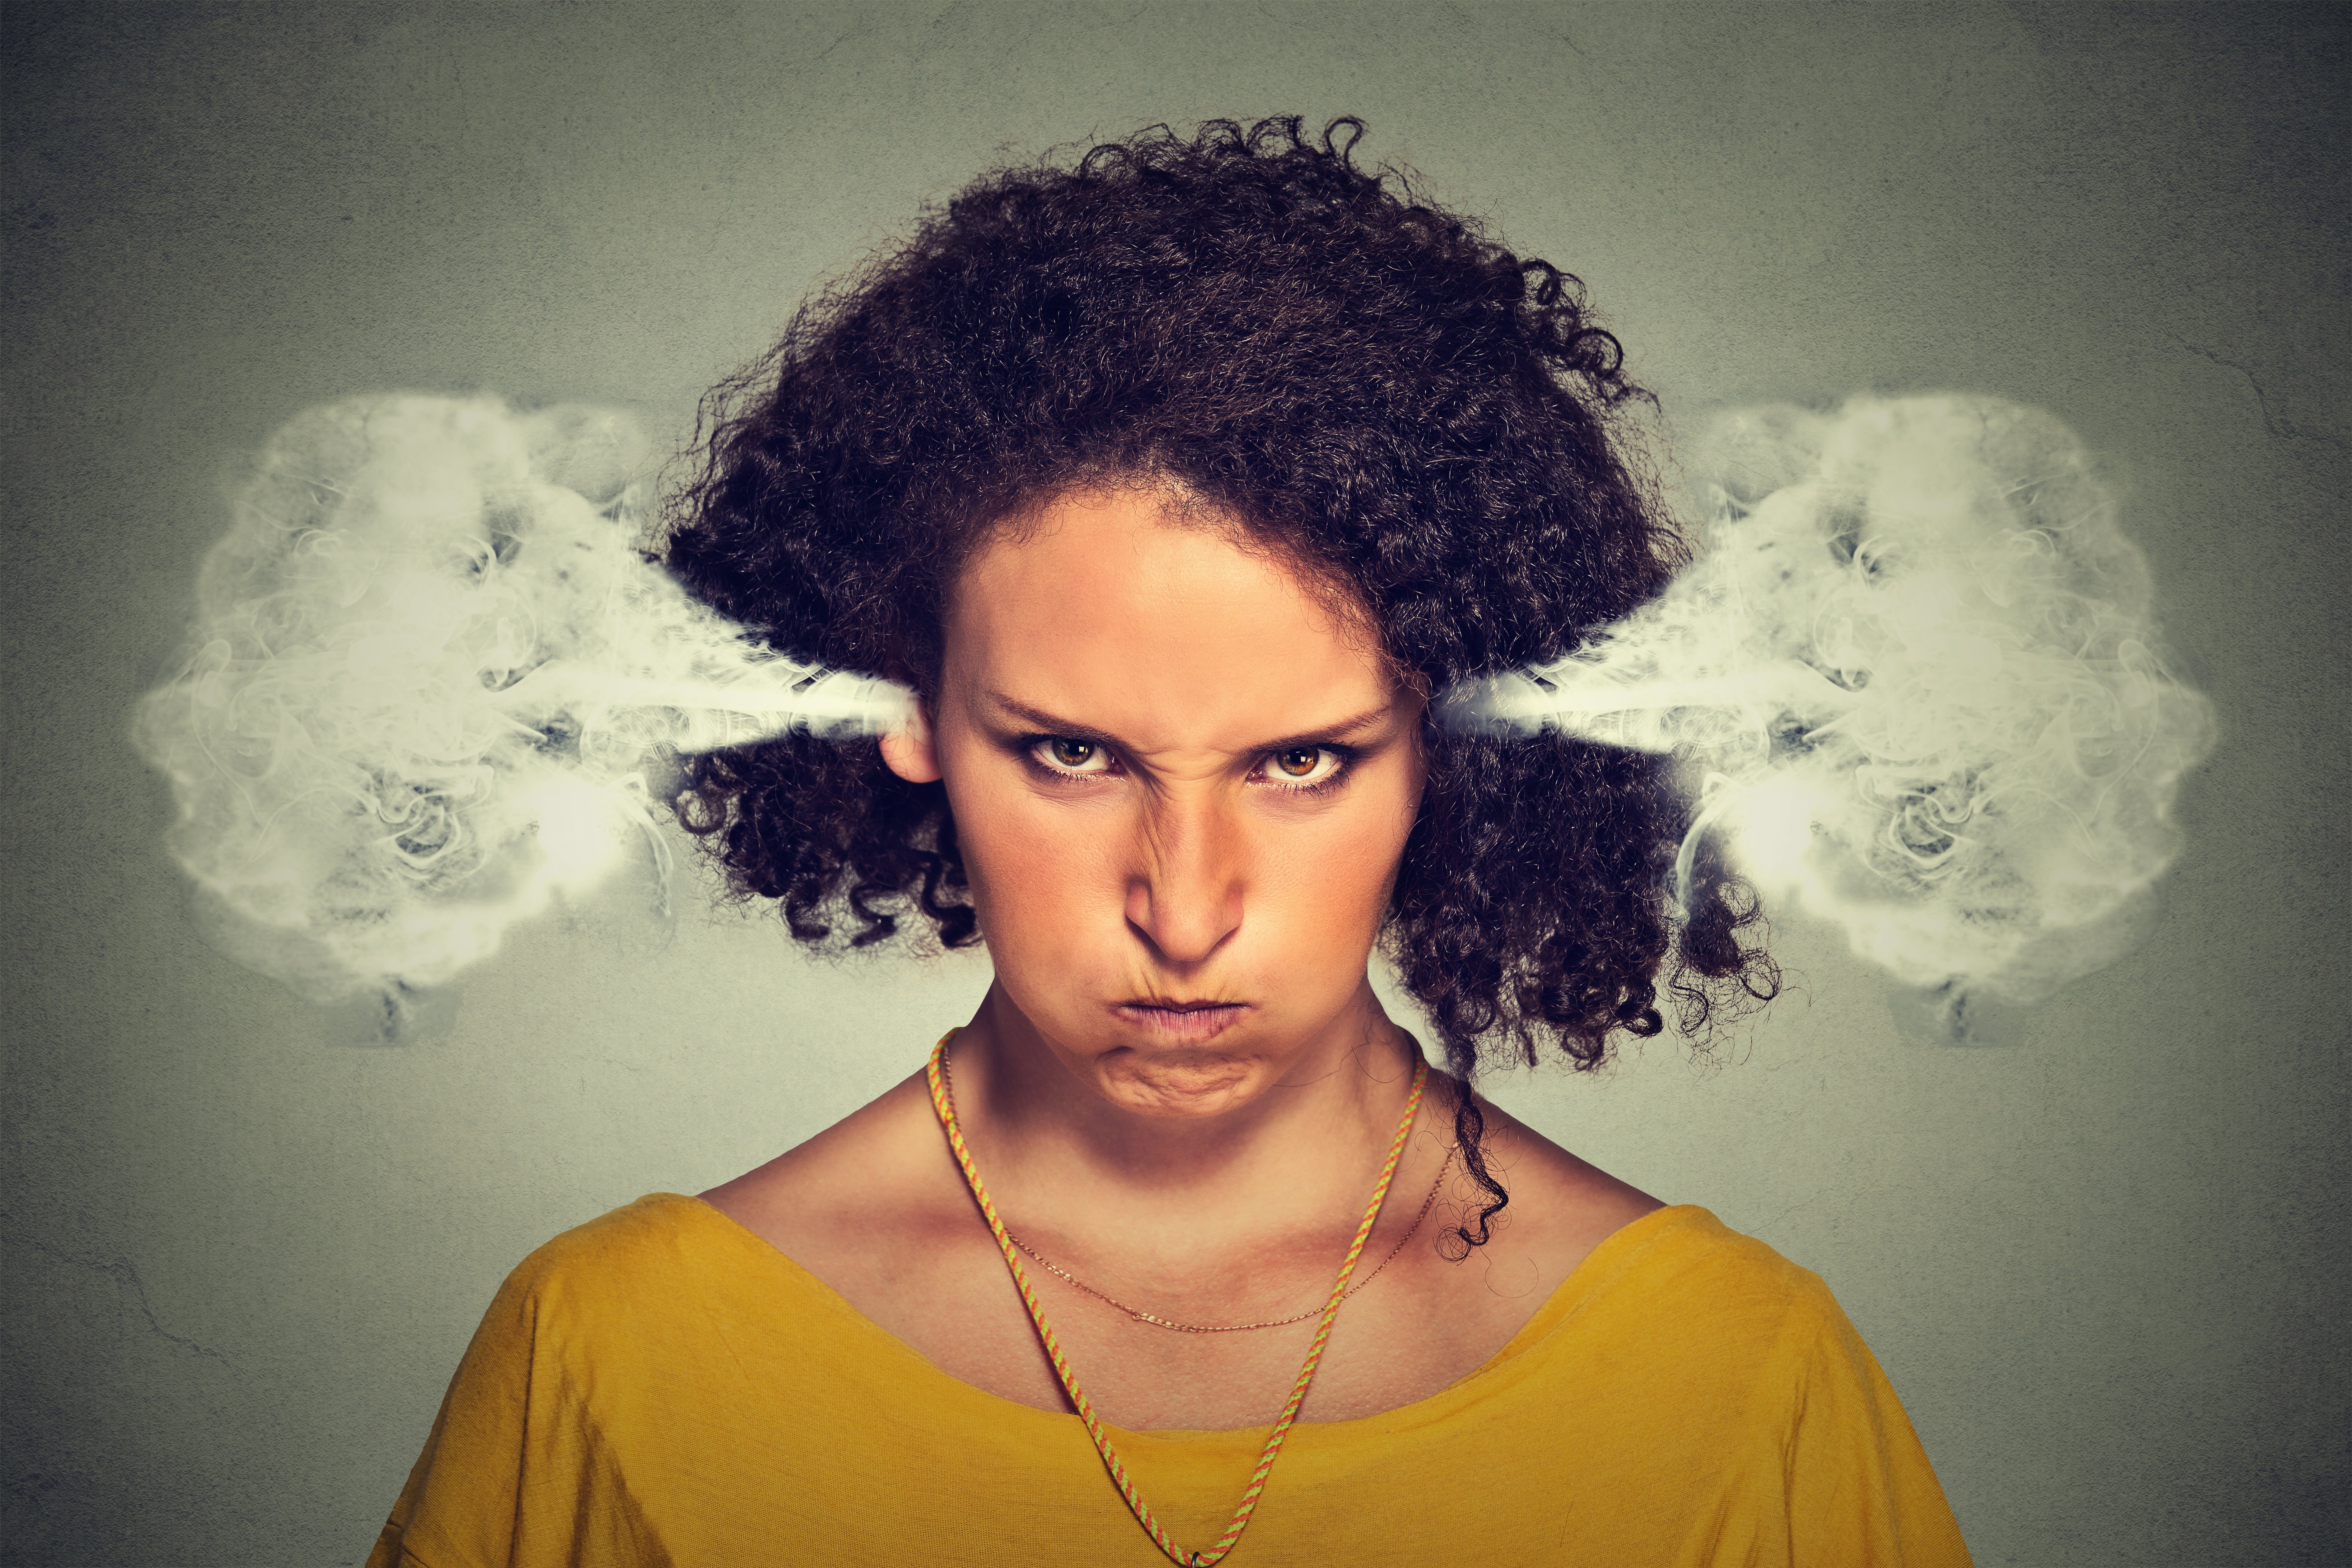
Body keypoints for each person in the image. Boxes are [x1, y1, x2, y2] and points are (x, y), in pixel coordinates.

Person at [366, 116, 1972, 1566]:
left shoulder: (1734, 1386)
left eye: (1299, 760)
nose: (1188, 908)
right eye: (1071, 753)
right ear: (904, 708)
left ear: (1447, 745)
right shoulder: (621, 1364)